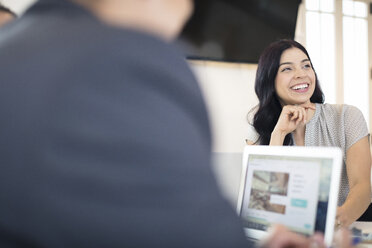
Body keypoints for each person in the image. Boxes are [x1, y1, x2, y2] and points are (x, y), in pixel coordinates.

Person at [0, 0, 350, 247]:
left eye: (305, 64)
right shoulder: (120, 61)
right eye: (286, 68)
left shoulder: (17, 45)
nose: (187, 10)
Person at [246, 39, 371, 227]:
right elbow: (263, 205)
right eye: (287, 69)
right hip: (287, 233)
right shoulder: (259, 127)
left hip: (349, 227)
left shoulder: (347, 116)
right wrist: (278, 135)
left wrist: (328, 225)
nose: (301, 74)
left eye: (306, 66)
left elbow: (362, 187)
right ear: (269, 79)